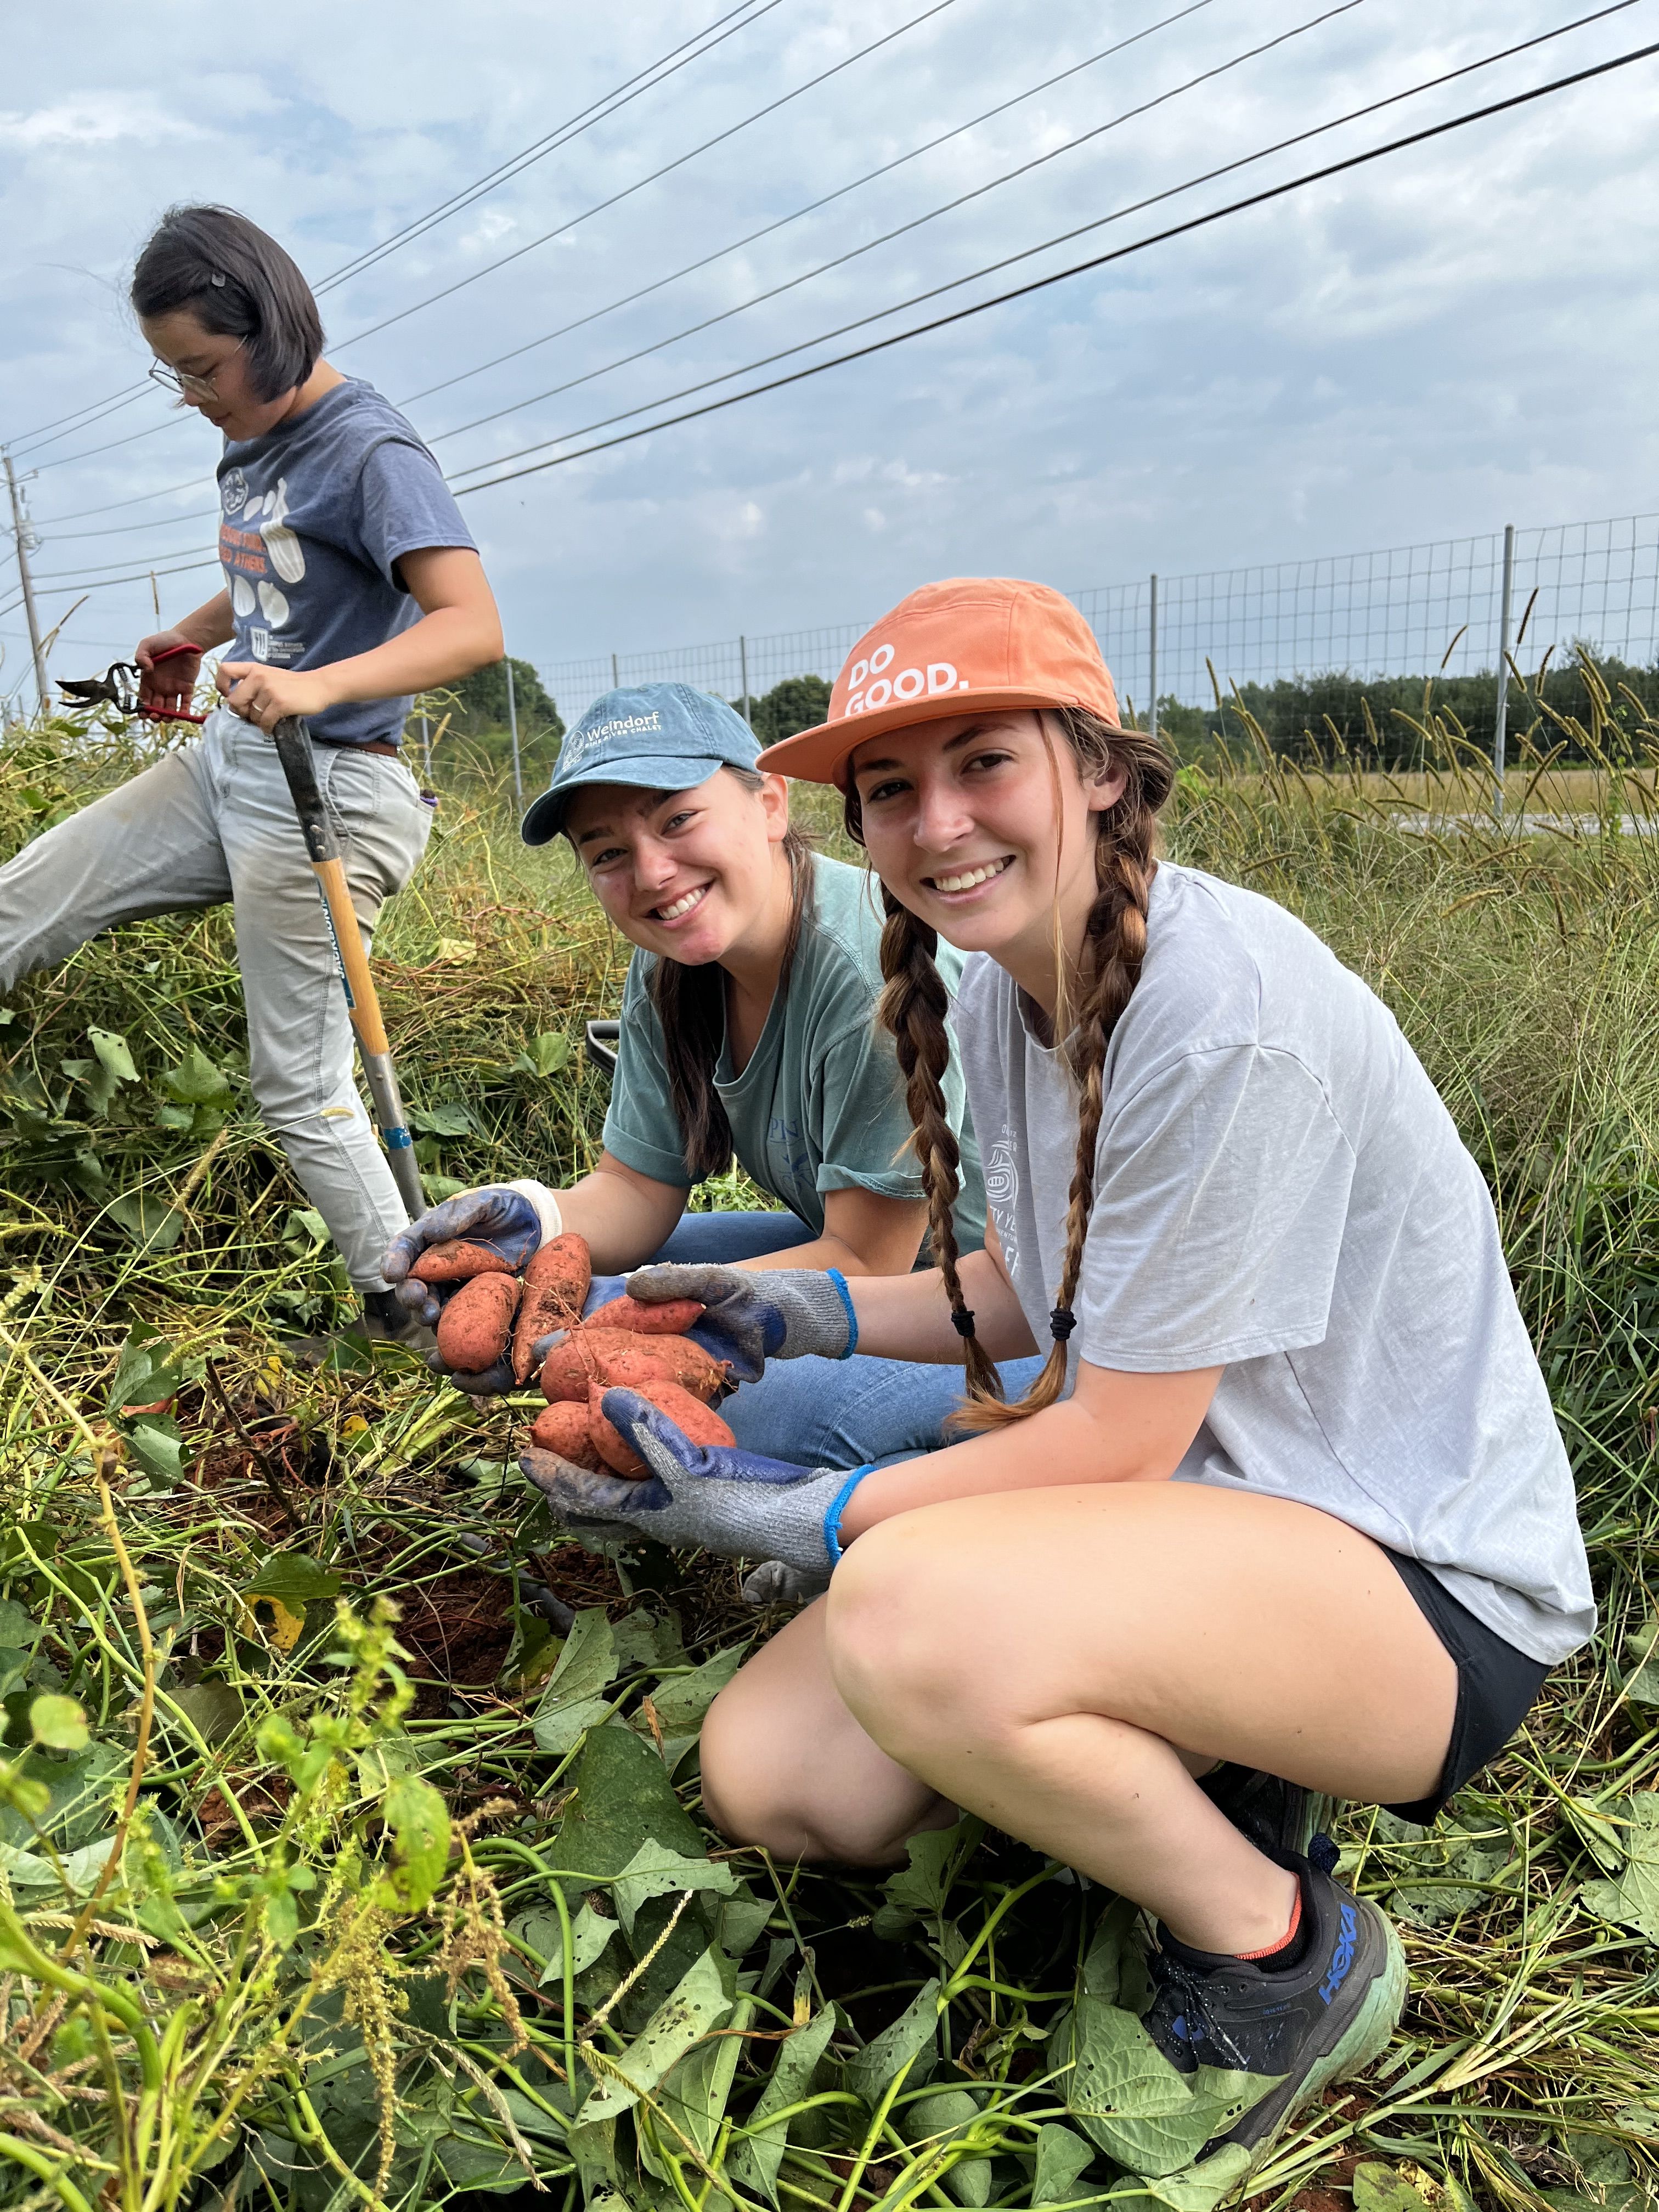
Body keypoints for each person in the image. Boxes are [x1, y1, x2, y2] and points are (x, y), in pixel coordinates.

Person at [521, 579, 1595, 2169]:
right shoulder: (1004, 994)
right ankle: (1172, 1744)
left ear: (1096, 765)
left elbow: (1110, 1438)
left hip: (1413, 1586)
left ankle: (1279, 1947)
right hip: (1221, 1525)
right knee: (778, 1783)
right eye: (892, 788)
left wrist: (793, 1518)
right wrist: (790, 1319)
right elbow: (1033, 1295)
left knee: (902, 1607)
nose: (938, 821)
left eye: (984, 764)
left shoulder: (1215, 1013)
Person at [0, 205, 502, 1340]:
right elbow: (287, 567)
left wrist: (314, 688)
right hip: (234, 759)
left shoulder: (370, 449)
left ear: (269, 329)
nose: (191, 396)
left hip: (331, 786)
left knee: (300, 1083)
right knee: (29, 897)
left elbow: (470, 624)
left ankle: (418, 1316)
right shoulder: (256, 433)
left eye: (202, 367)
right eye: (168, 372)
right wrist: (194, 632)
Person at [383, 681, 1040, 1495]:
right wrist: (533, 1222)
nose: (654, 873)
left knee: (714, 1410)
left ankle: (963, 1483)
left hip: (990, 1304)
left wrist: (616, 1317)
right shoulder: (672, 964)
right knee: (575, 1276)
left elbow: (866, 1259)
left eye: (677, 820)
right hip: (876, 1266)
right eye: (608, 853)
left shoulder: (868, 967)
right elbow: (636, 1190)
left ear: (769, 804)